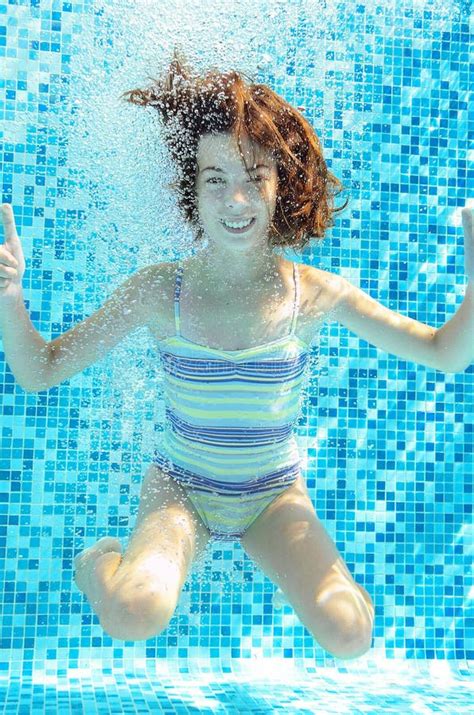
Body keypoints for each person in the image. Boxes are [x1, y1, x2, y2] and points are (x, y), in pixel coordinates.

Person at [1, 52, 472, 658]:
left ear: (283, 186)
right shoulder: (158, 292)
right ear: (193, 191)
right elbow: (40, 371)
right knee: (132, 615)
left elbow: (444, 354)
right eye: (215, 179)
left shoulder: (314, 296)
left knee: (351, 636)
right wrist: (11, 299)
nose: (236, 199)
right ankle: (98, 564)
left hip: (273, 494)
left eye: (254, 177)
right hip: (181, 489)